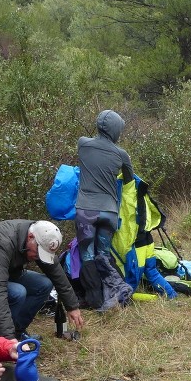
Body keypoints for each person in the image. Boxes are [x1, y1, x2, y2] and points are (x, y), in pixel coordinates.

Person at [0, 219, 85, 340]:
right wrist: (8, 339)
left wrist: (72, 306)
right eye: (38, 252)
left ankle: (18, 331)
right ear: (30, 237)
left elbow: (56, 272)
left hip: (5, 274)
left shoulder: (39, 237)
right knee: (17, 292)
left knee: (44, 284)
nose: (38, 257)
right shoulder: (1, 242)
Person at [76, 110, 135, 310]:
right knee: (103, 254)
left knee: (88, 255)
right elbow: (129, 180)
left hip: (86, 210)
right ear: (117, 129)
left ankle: (94, 299)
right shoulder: (121, 154)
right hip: (109, 212)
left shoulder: (83, 143)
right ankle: (118, 293)